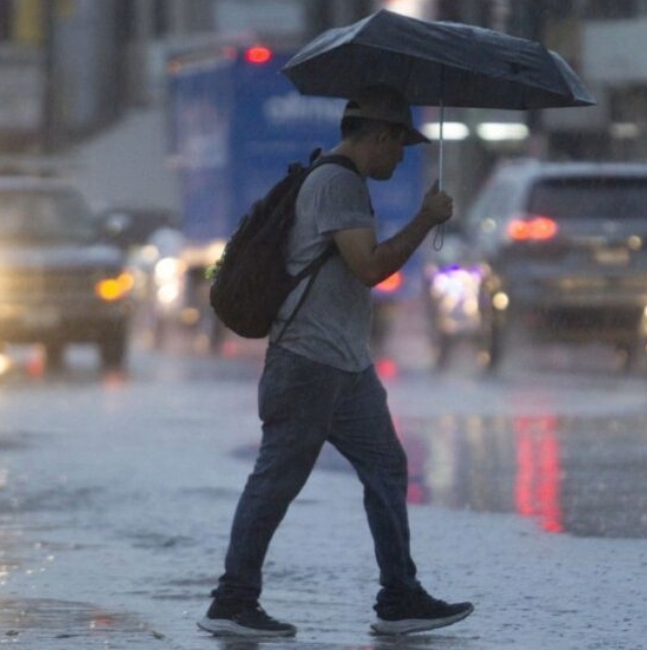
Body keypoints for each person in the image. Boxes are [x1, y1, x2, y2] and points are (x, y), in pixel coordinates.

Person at [197, 85, 473, 638]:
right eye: (400, 147)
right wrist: (424, 220)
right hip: (308, 362)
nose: (401, 158)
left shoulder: (340, 182)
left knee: (386, 468)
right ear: (380, 136)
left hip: (345, 366)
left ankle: (399, 597)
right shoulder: (337, 183)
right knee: (276, 480)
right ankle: (232, 601)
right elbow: (369, 267)